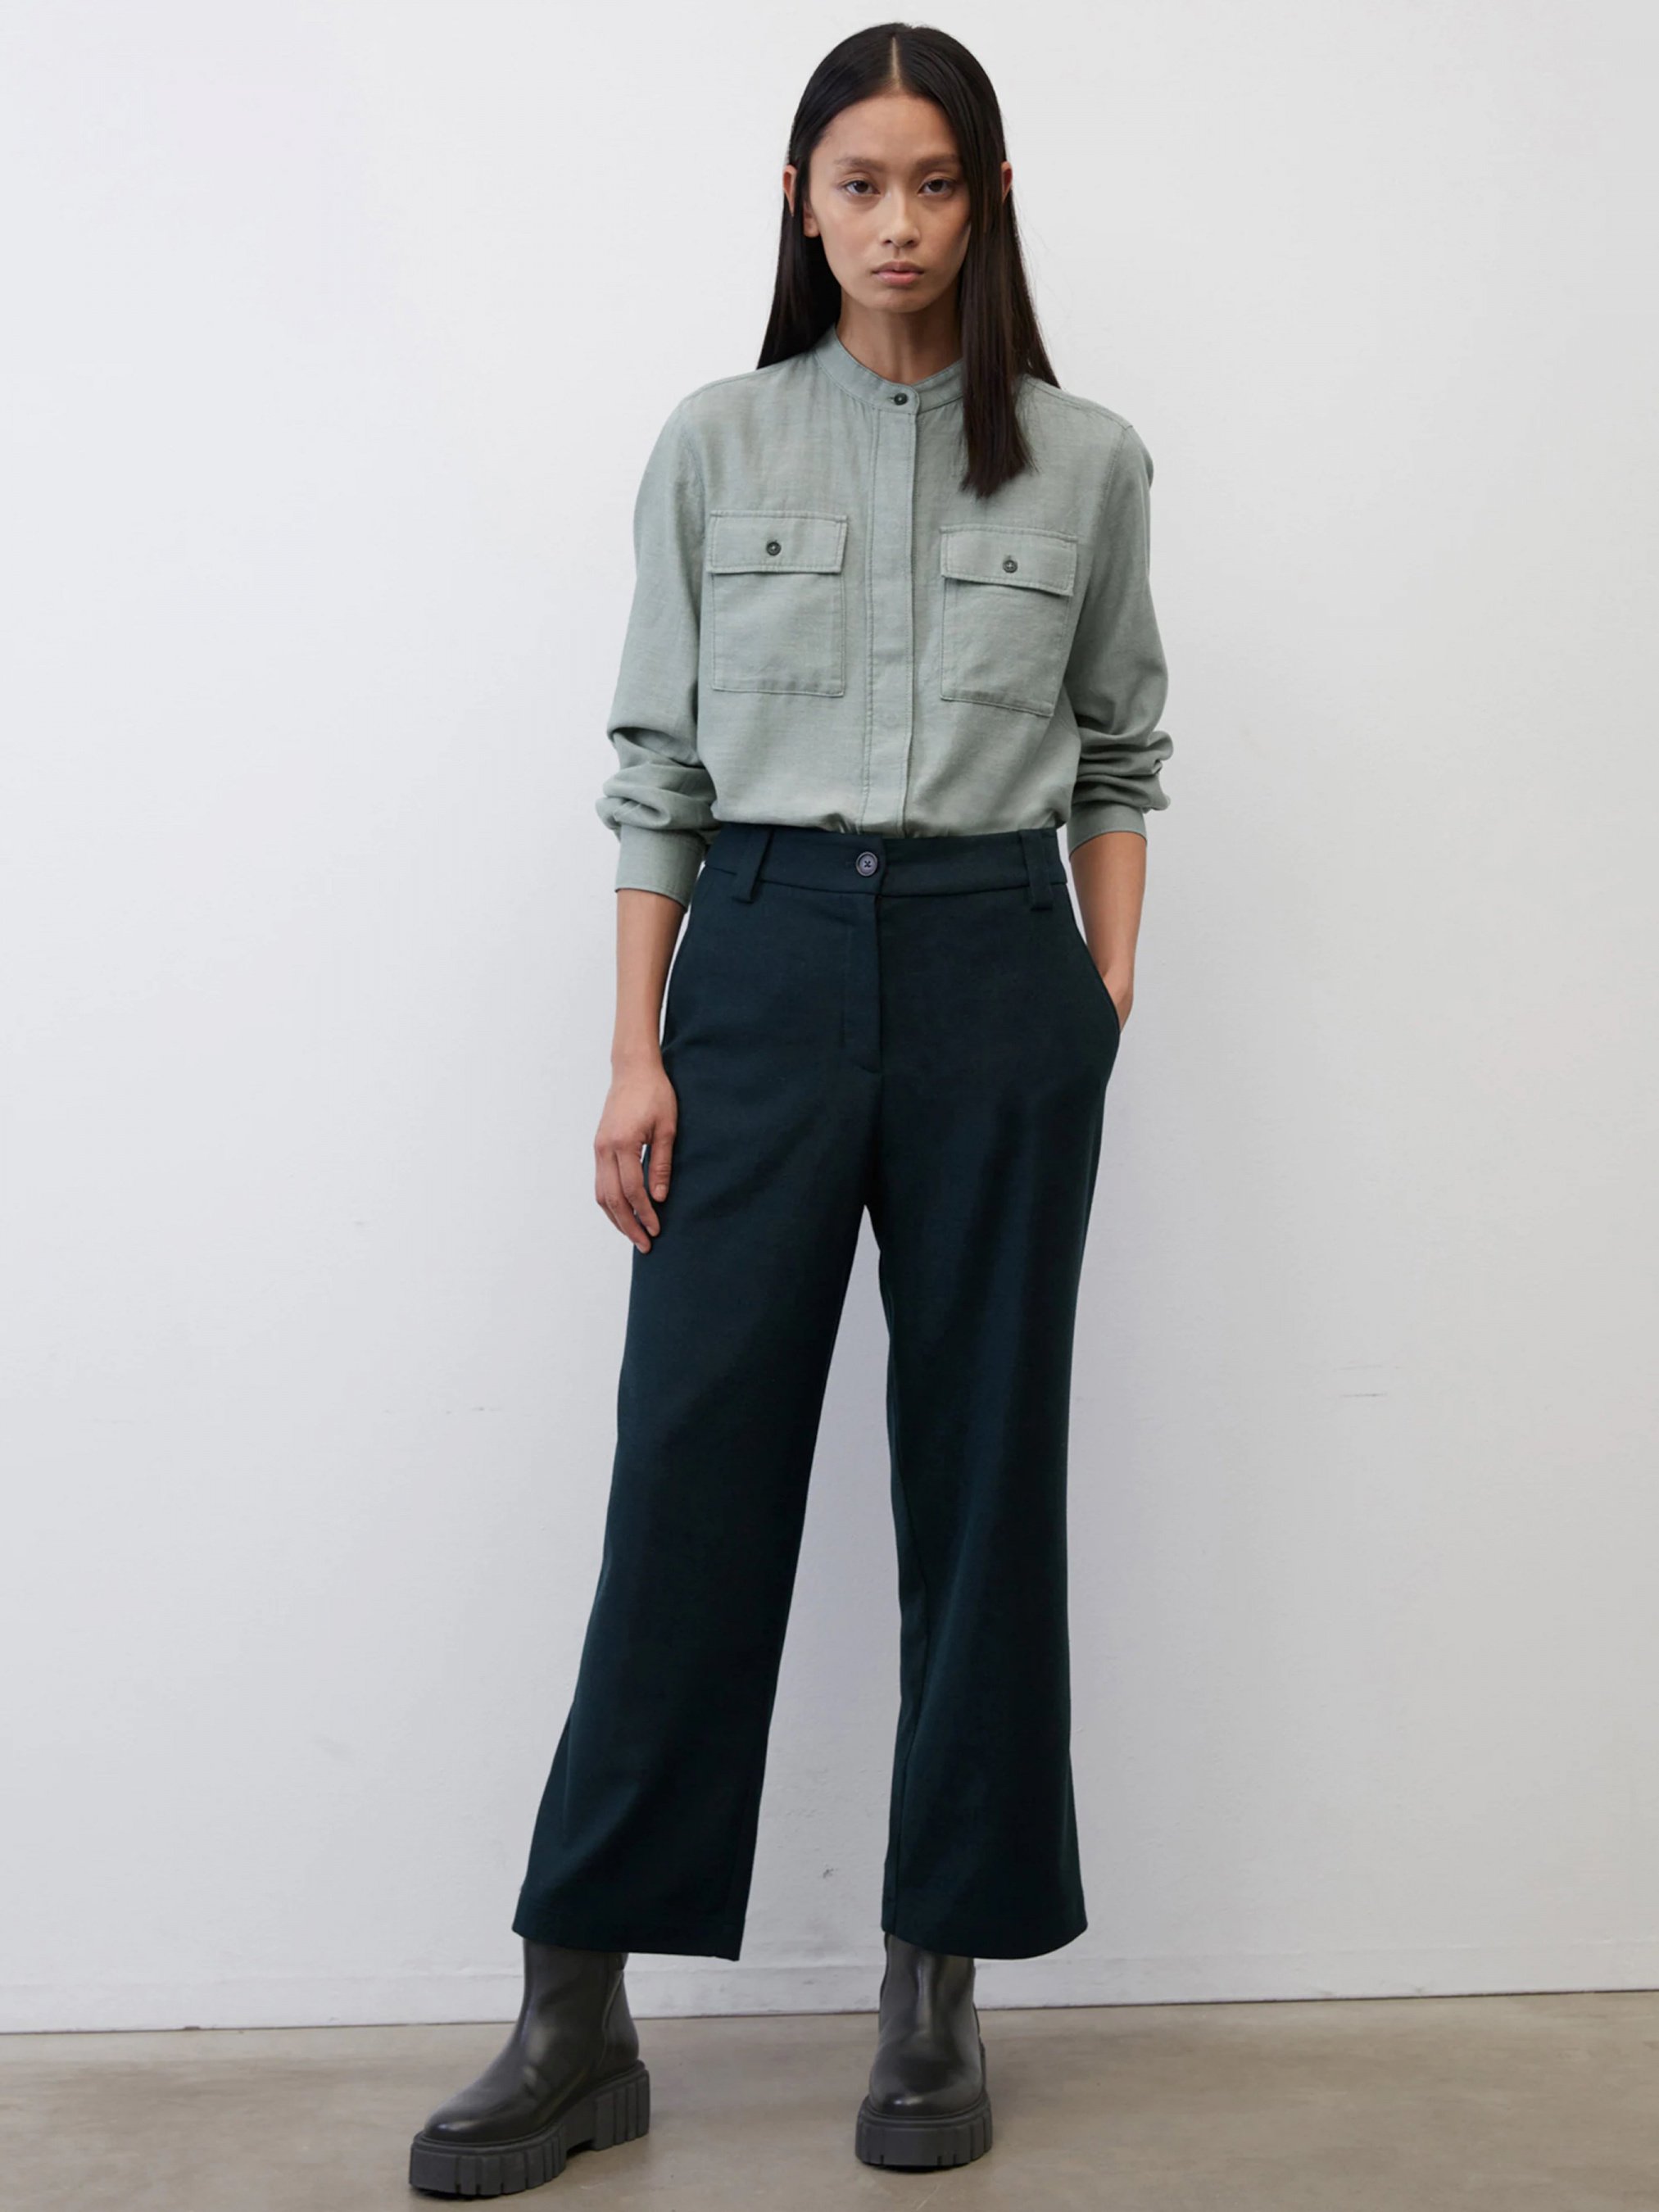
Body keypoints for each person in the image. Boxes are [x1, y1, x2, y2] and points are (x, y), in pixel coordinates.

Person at [408, 19, 1173, 2197]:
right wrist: (635, 1047)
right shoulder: (716, 441)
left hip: (995, 968)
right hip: (749, 967)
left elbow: (1122, 751)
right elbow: (655, 766)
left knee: (983, 1476)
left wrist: (1096, 1000)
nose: (896, 224)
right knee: (690, 1468)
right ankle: (575, 2007)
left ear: (987, 202)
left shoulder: (1089, 462)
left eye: (933, 184)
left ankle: (934, 1982)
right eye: (859, 183)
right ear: (801, 202)